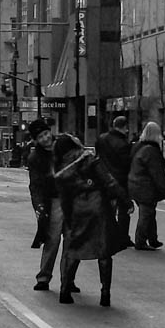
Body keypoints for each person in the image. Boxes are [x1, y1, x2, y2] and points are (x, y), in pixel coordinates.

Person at [52, 132, 133, 307]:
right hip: (98, 206)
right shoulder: (88, 158)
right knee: (104, 251)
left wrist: (68, 217)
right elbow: (108, 181)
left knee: (74, 249)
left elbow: (64, 198)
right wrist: (125, 201)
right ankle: (105, 293)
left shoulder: (61, 169)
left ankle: (65, 289)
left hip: (77, 209)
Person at [27, 117, 66, 294]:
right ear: (36, 140)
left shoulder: (64, 146)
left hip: (71, 197)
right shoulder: (35, 157)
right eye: (40, 137)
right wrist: (39, 207)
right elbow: (35, 185)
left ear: (50, 132)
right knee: (53, 239)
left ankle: (68, 279)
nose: (45, 138)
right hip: (54, 200)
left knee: (73, 240)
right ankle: (43, 277)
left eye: (45, 134)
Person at [128, 121, 165, 249]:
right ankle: (141, 241)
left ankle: (152, 239)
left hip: (134, 183)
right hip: (145, 186)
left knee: (149, 213)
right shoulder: (151, 151)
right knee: (147, 214)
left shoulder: (137, 146)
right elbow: (157, 173)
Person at [96, 115, 133, 251]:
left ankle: (105, 234)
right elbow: (125, 163)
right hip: (120, 179)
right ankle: (122, 237)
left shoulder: (102, 139)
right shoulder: (123, 144)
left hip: (104, 177)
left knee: (107, 209)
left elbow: (98, 157)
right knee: (124, 210)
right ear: (124, 127)